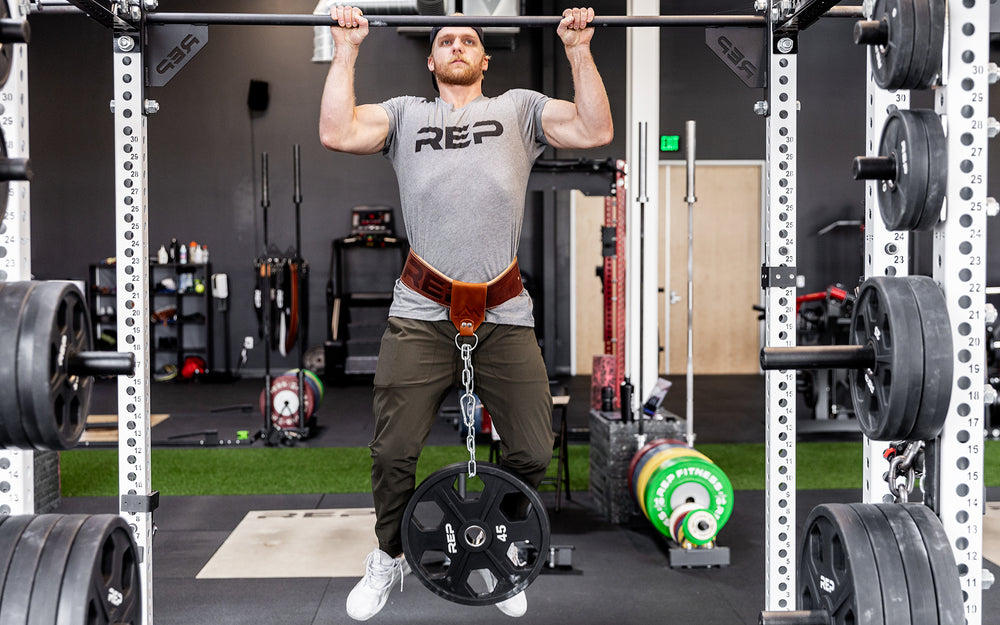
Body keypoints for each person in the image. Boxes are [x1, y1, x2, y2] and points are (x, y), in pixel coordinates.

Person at [319, 5, 612, 620]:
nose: (457, 46)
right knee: (392, 449)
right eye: (445, 40)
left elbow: (593, 131)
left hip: (503, 312)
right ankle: (389, 553)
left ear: (484, 59)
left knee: (533, 447)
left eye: (469, 40)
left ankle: (505, 548)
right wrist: (346, 49)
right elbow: (337, 132)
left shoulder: (520, 110)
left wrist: (578, 49)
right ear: (431, 61)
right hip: (420, 311)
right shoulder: (404, 115)